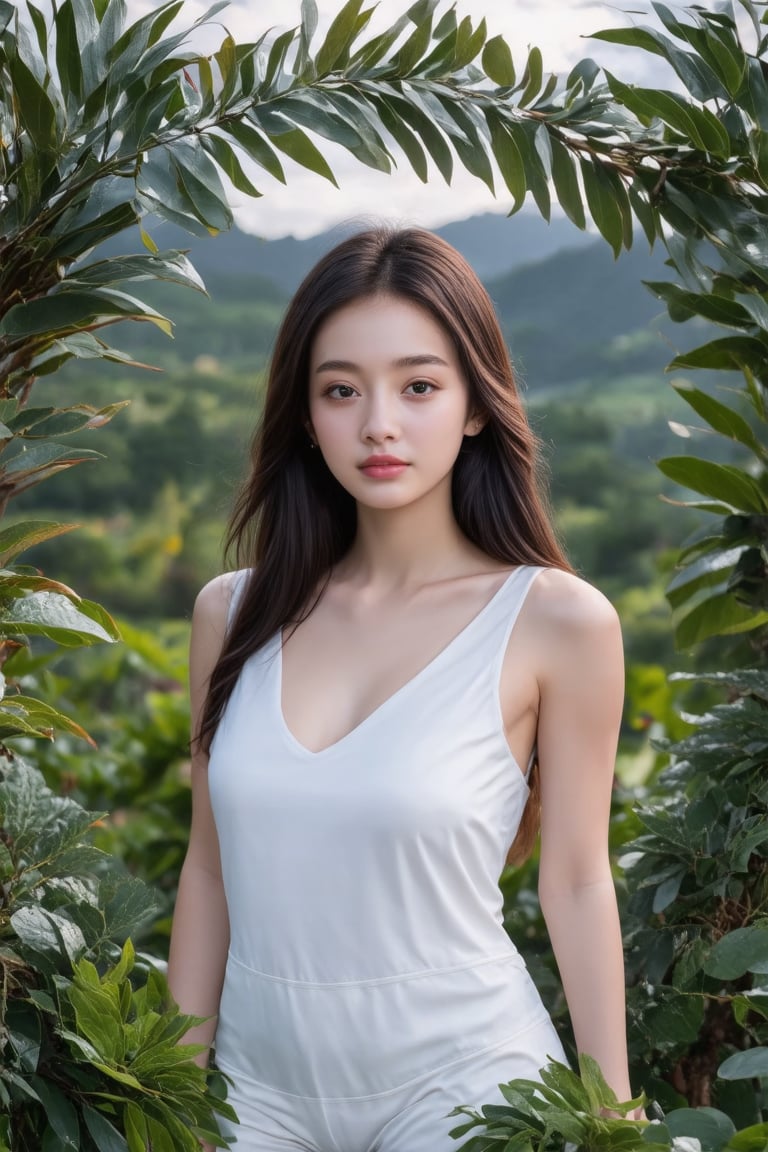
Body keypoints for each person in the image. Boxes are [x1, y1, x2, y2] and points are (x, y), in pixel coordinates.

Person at [167, 226, 633, 1151]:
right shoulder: (233, 613)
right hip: (255, 1094)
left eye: (418, 386)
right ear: (305, 414)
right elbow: (210, 870)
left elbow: (576, 879)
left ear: (472, 405)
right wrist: (166, 1097)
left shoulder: (559, 623)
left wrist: (615, 1115)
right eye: (342, 390)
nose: (378, 422)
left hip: (468, 1086)